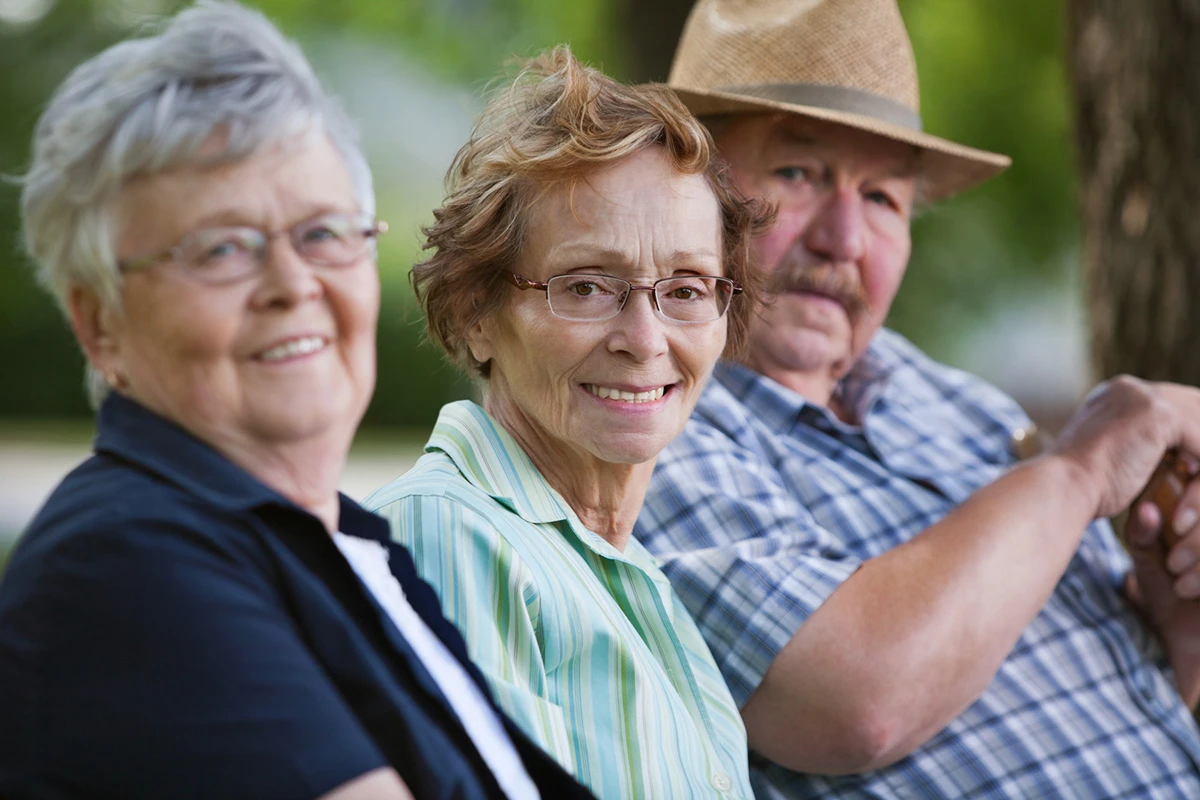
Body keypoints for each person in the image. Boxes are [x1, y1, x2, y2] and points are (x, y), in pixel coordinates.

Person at [0, 4, 594, 798]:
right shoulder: (124, 562)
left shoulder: (343, 546)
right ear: (98, 322)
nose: (292, 284)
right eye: (221, 248)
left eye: (322, 234)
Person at [636, 0, 1200, 797]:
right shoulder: (647, 418)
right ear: (682, 193)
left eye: (882, 198)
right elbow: (855, 706)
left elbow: (1078, 709)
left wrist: (1178, 628)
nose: (845, 240)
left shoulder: (955, 401)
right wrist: (1079, 471)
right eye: (798, 174)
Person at [366, 47, 769, 800]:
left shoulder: (627, 573)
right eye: (585, 286)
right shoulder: (446, 538)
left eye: (686, 289)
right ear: (475, 313)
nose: (645, 339)